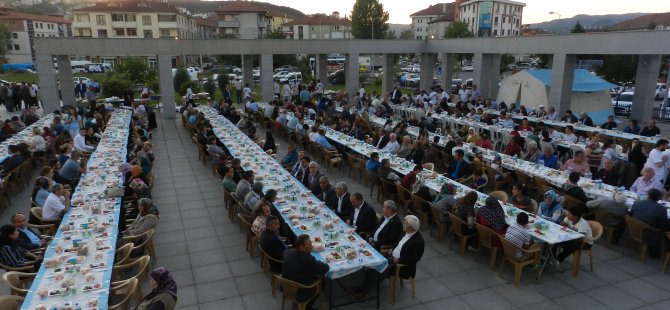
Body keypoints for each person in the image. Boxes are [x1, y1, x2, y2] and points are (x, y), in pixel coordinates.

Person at [349, 215, 425, 299]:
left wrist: (398, 260)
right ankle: (361, 288)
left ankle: (362, 293)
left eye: (405, 223)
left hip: (402, 266)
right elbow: (397, 243)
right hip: (391, 258)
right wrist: (392, 248)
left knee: (378, 271)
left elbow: (414, 259)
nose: (403, 224)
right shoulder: (405, 232)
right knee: (372, 266)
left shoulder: (419, 241)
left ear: (411, 227)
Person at [282, 234, 329, 310]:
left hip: (285, 287)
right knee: (322, 279)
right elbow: (326, 268)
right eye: (309, 244)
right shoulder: (309, 260)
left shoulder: (287, 252)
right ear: (301, 247)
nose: (312, 246)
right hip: (300, 292)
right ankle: (307, 307)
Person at [630, 189, 669, 257]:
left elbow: (631, 214)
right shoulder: (661, 209)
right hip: (648, 234)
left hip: (632, 229)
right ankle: (656, 251)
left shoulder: (637, 202)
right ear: (659, 198)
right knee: (665, 228)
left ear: (648, 195)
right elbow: (663, 225)